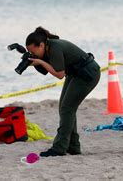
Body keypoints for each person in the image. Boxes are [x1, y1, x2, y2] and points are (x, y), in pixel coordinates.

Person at [25, 27, 101, 157]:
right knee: (65, 108)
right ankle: (73, 146)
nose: (33, 54)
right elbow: (52, 69)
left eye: (33, 51)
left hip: (88, 74)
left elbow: (59, 74)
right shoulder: (48, 48)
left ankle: (59, 148)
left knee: (67, 108)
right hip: (75, 74)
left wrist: (40, 62)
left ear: (42, 45)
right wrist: (36, 61)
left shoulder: (55, 47)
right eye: (29, 52)